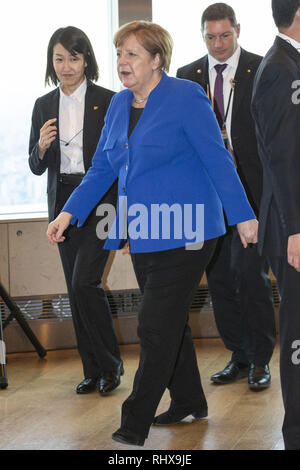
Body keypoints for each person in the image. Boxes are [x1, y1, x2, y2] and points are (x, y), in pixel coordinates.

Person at [47, 21, 257, 447]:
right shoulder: (120, 104)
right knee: (169, 321)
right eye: (120, 53)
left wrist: (244, 216)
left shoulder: (185, 96)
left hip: (190, 231)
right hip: (146, 232)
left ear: (157, 59)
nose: (123, 62)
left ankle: (132, 426)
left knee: (154, 327)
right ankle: (189, 401)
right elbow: (104, 168)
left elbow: (217, 158)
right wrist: (68, 214)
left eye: (133, 54)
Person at [177, 3, 276, 390]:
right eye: (210, 37)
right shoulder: (188, 75)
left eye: (225, 35)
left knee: (250, 275)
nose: (218, 44)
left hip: (251, 191)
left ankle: (261, 359)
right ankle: (238, 354)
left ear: (238, 30)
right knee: (218, 279)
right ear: (202, 35)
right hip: (206, 194)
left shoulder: (261, 67)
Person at [29, 26, 123, 396]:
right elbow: (37, 166)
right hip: (64, 202)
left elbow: (116, 161)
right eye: (59, 58)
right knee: (75, 288)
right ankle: (93, 369)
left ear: (87, 60)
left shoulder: (110, 100)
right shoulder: (43, 105)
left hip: (101, 200)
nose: (66, 66)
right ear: (51, 62)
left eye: (74, 57)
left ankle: (111, 366)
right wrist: (40, 146)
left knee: (86, 281)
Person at [252, 0, 300, 450]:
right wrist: (295, 230)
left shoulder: (291, 62)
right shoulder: (280, 69)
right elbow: (284, 159)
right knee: (297, 333)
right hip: (292, 230)